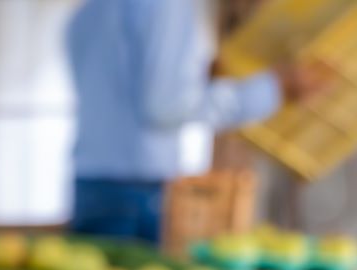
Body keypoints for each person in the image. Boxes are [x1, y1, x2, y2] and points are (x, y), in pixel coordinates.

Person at [66, 0, 328, 243]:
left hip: (90, 182)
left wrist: (200, 80)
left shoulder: (91, 10)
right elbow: (166, 107)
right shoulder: (166, 5)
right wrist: (272, 88)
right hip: (137, 191)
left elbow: (127, 89)